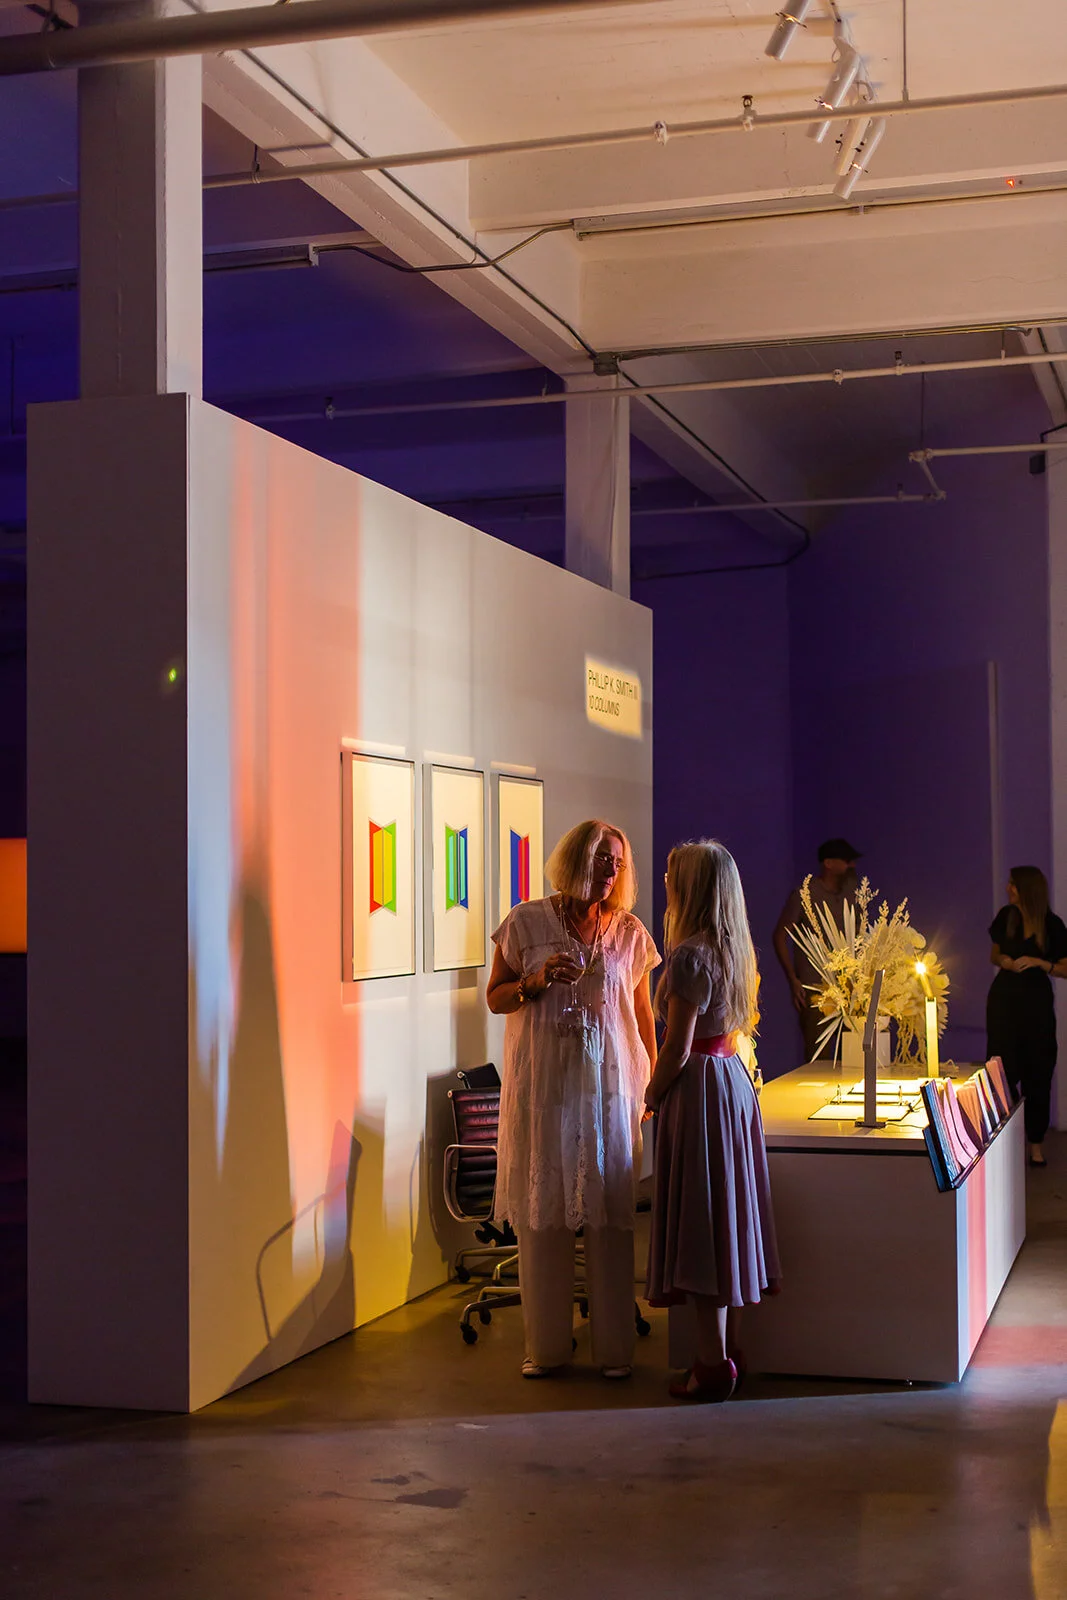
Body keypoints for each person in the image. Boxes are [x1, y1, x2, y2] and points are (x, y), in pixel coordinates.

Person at [486, 819, 659, 1380]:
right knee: (544, 1219)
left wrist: (652, 1082)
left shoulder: (630, 932)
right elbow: (496, 998)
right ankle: (547, 1348)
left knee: (611, 1220)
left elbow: (643, 1015)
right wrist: (534, 981)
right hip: (545, 1091)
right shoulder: (526, 921)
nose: (612, 871)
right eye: (603, 858)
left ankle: (614, 1350)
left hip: (610, 1095)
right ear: (576, 859)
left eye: (619, 862)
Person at [644, 839, 780, 1403]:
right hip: (731, 1082)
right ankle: (732, 1352)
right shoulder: (735, 951)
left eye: (672, 877)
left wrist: (651, 1094)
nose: (665, 886)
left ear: (690, 889)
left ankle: (710, 1363)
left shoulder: (689, 958)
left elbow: (677, 1048)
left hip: (699, 1089)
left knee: (702, 1227)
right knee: (729, 1221)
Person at [987, 865, 1067, 1168]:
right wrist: (1005, 961)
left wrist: (1039, 962)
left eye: (1013, 884)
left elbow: (1065, 968)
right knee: (1002, 1070)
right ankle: (1003, 1141)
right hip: (1004, 1001)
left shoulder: (1052, 925)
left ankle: (1035, 1145)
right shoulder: (1006, 917)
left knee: (1038, 1072)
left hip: (1036, 1006)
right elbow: (994, 954)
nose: (1008, 888)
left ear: (1027, 889)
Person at [773, 838, 861, 1062]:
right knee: (818, 1059)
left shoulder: (852, 894)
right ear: (828, 863)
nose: (851, 866)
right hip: (816, 989)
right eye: (846, 860)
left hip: (849, 990)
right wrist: (794, 980)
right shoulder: (806, 894)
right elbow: (780, 935)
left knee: (852, 1057)